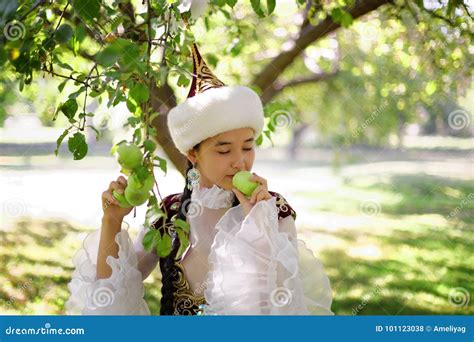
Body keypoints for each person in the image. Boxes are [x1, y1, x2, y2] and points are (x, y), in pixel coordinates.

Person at [65, 43, 333, 316]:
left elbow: (283, 306)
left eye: (248, 146)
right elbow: (112, 293)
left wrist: (258, 223)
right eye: (224, 149)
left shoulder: (273, 210)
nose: (240, 161)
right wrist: (112, 220)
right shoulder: (169, 215)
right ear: (193, 153)